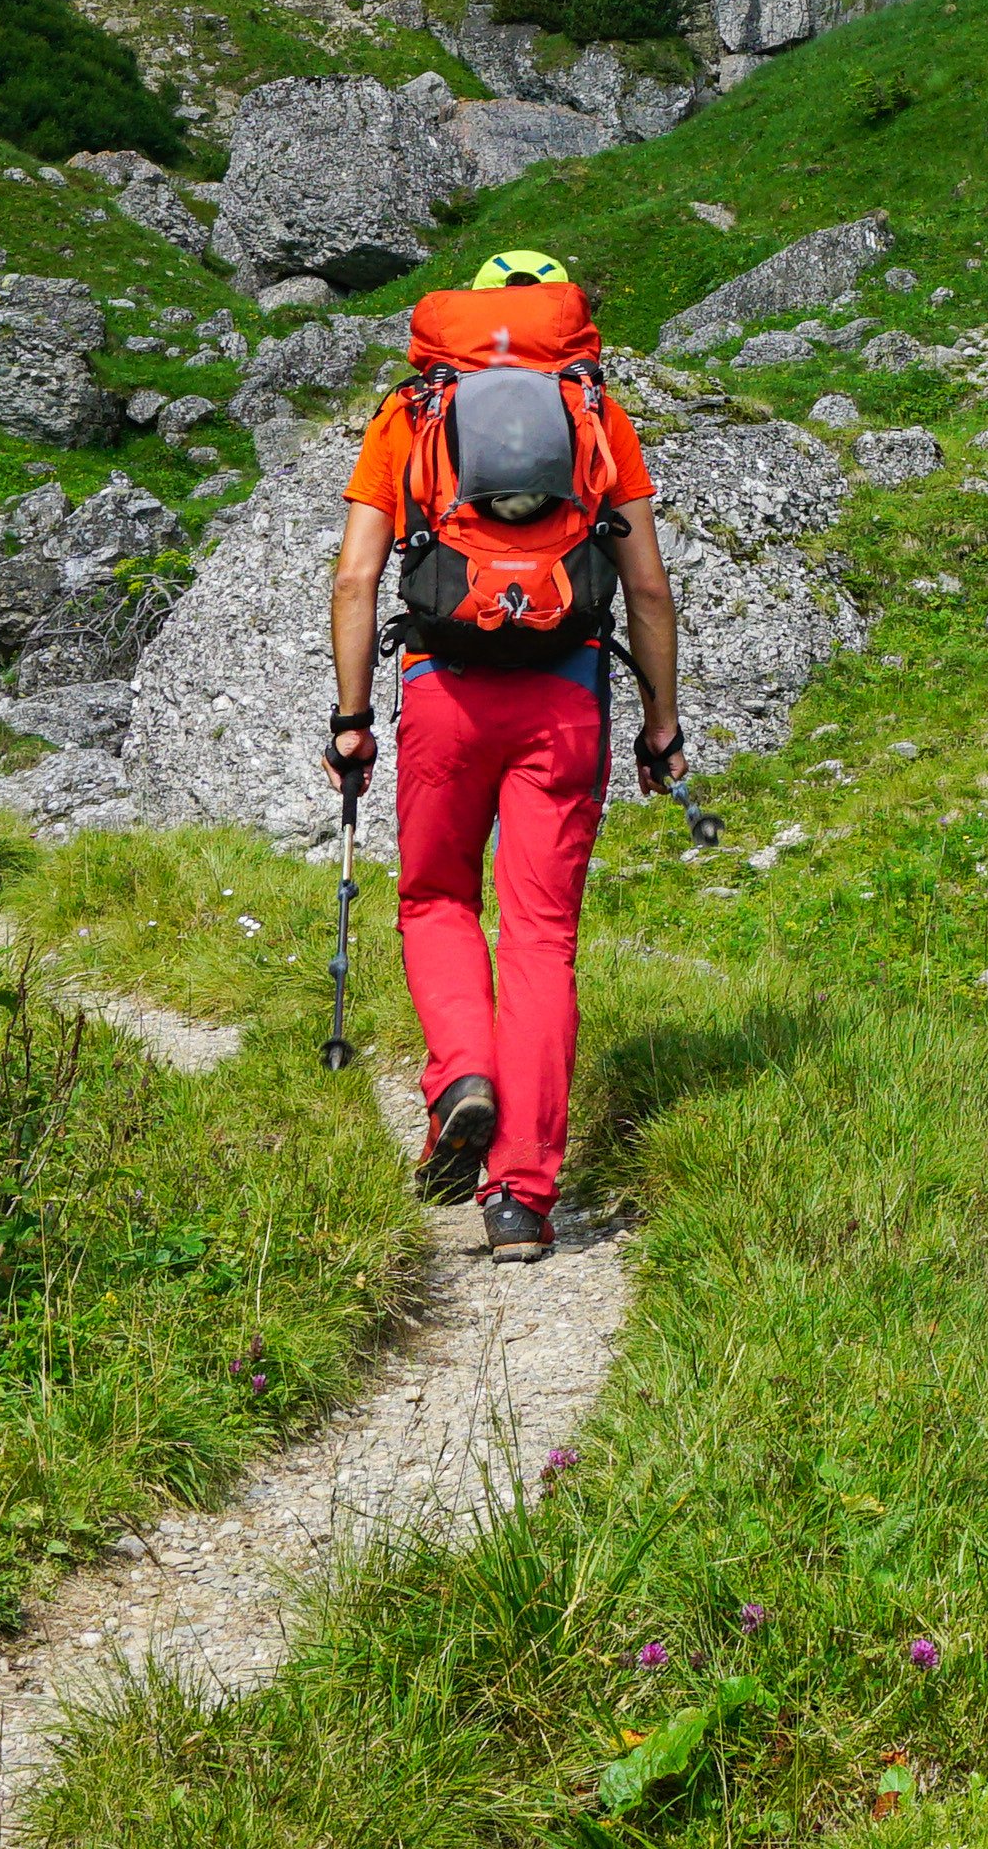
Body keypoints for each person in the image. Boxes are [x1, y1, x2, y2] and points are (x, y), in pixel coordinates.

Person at [320, 245, 681, 1259]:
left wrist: (350, 718)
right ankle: (519, 1194)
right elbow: (646, 589)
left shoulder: (411, 411)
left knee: (436, 899)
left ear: (467, 312)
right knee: (539, 937)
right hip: (564, 694)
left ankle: (462, 1077)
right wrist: (663, 723)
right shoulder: (595, 411)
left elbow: (357, 579)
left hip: (443, 690)